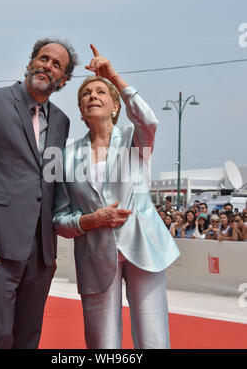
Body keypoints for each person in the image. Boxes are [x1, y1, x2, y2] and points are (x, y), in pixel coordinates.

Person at [53, 45, 180, 349]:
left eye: (100, 92)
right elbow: (58, 218)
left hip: (144, 248)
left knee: (153, 339)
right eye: (86, 94)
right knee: (102, 343)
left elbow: (149, 120)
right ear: (82, 112)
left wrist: (112, 75)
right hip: (95, 255)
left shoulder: (134, 140)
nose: (93, 95)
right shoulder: (66, 156)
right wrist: (91, 220)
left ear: (114, 106)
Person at [0, 38, 78, 349]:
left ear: (63, 80)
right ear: (31, 62)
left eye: (56, 65)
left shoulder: (62, 122)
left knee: (27, 339)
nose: (47, 66)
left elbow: (52, 183)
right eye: (43, 58)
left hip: (40, 254)